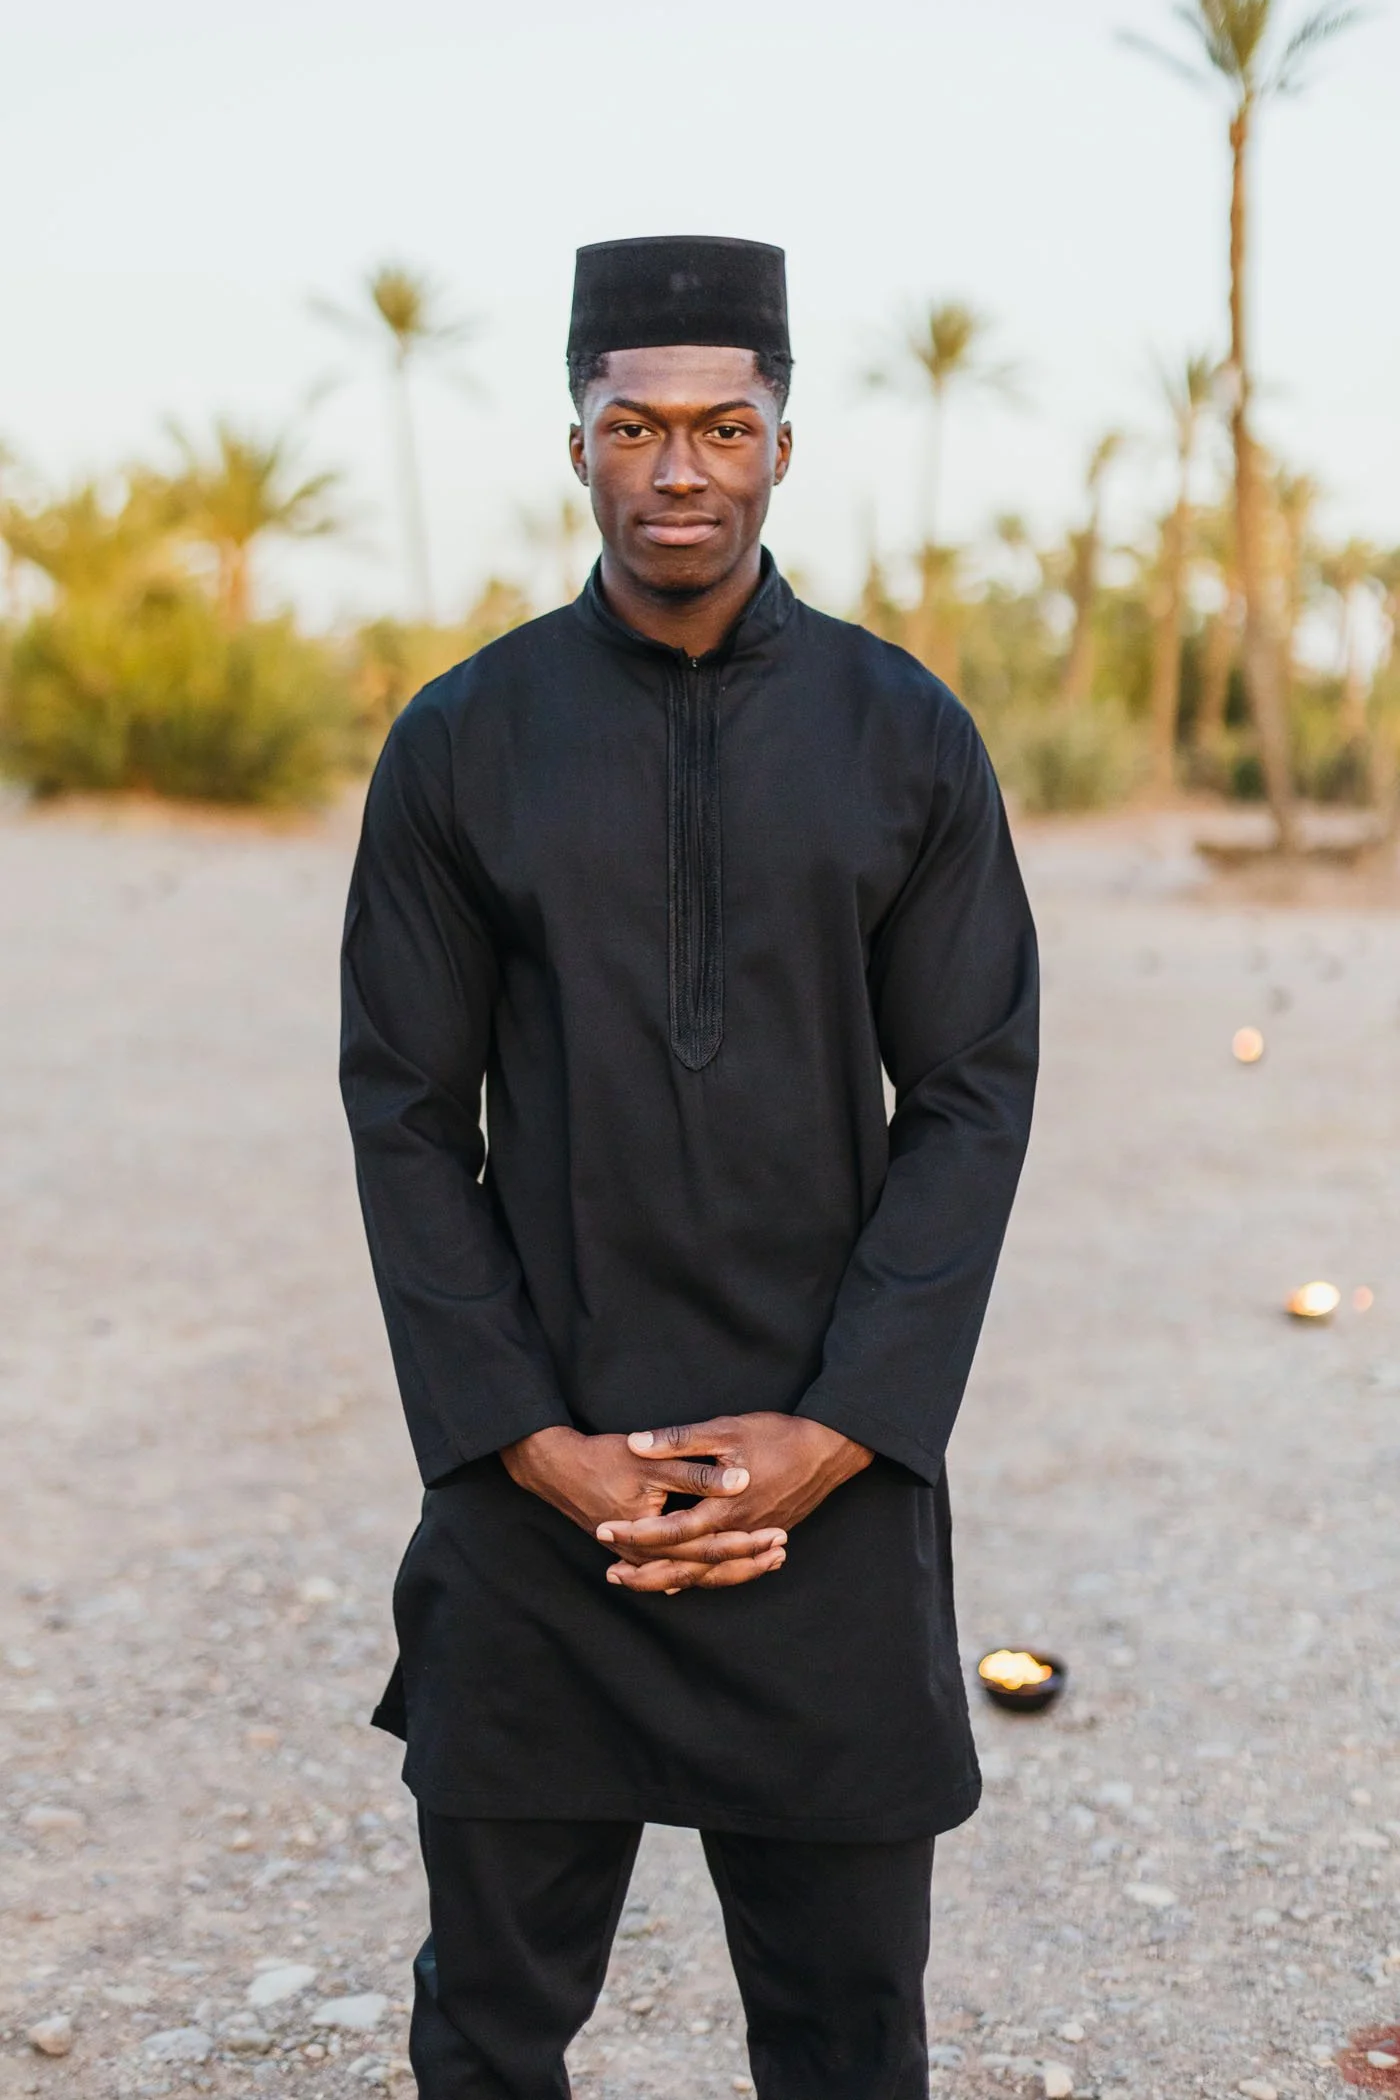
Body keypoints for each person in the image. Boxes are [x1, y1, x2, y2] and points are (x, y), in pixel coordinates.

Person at [340, 233, 1039, 2100]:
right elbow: (405, 1113)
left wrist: (845, 1427)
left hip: (827, 1489)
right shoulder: (461, 741)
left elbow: (972, 1094)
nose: (679, 468)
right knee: (488, 2034)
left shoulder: (907, 738)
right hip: (534, 1487)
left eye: (723, 427)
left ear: (784, 449)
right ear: (573, 442)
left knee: (844, 2039)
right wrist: (522, 1438)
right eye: (633, 424)